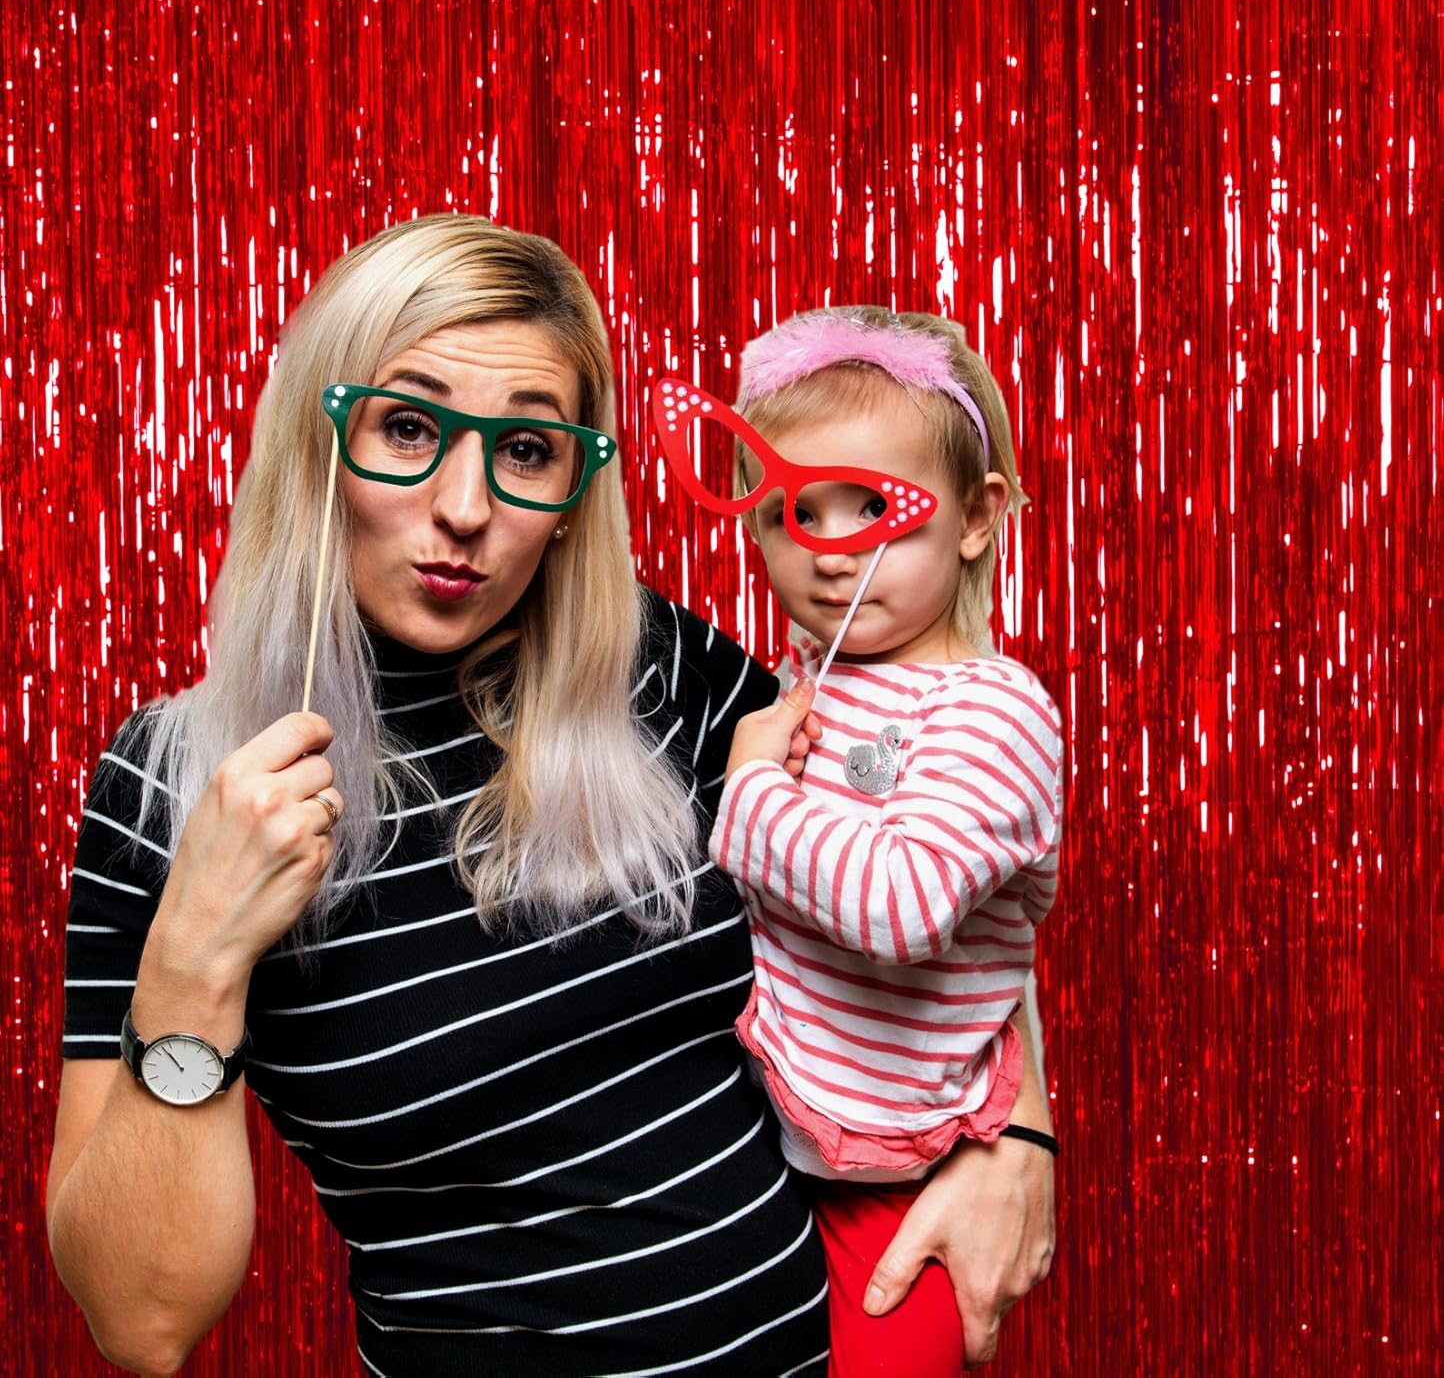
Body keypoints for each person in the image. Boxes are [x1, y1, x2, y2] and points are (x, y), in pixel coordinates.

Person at [47, 217, 1055, 1376]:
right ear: (319, 442)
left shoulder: (654, 667)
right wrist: (195, 956)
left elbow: (938, 861)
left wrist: (1016, 1129)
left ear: (575, 488)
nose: (464, 507)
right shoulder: (171, 784)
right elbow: (142, 1325)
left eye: (525, 449)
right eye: (408, 427)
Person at [702, 308, 1063, 1376]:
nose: (834, 553)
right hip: (764, 1152)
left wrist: (749, 791)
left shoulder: (993, 711)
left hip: (906, 1181)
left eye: (875, 510)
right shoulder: (800, 678)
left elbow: (901, 909)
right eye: (794, 513)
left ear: (975, 516)